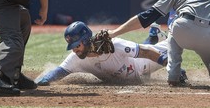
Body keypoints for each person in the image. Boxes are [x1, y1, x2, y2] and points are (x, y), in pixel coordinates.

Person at [36, 21, 187, 86]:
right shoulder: (76, 58)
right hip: (133, 68)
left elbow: (146, 52)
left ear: (86, 40)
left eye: (77, 45)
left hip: (141, 66)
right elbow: (58, 72)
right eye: (72, 46)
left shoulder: (115, 44)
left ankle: (156, 36)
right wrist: (41, 81)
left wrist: (171, 67)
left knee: (178, 41)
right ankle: (153, 35)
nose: (75, 49)